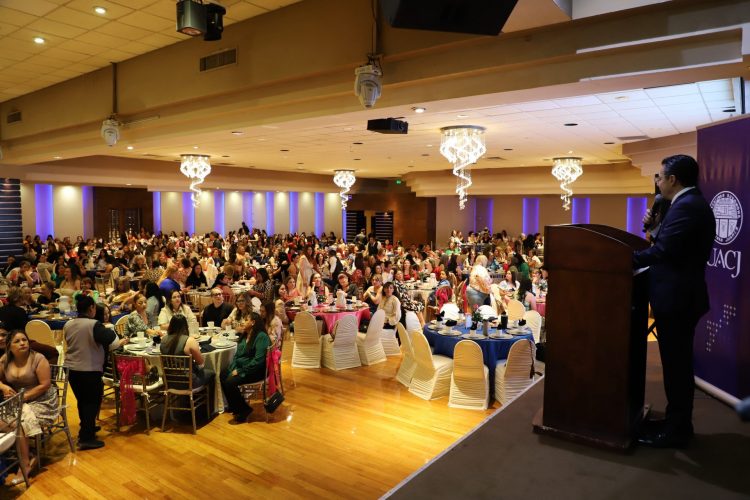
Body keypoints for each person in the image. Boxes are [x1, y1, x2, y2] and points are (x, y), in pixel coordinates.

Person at [633, 154, 715, 448]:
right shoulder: (686, 204)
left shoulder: (687, 206)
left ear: (672, 179)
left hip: (678, 299)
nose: (656, 181)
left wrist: (625, 259)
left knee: (677, 367)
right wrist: (655, 228)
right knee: (676, 365)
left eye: (659, 176)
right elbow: (673, 246)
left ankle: (677, 430)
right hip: (679, 297)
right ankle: (676, 422)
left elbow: (664, 252)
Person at [64, 295, 128, 450]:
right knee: (91, 403)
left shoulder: (68, 324)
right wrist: (109, 328)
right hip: (88, 369)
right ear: (92, 308)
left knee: (83, 401)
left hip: (71, 370)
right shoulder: (94, 325)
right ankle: (86, 438)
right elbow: (113, 342)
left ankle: (88, 428)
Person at [0, 330, 59, 476]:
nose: (22, 343)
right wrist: (3, 386)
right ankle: (23, 453)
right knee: (5, 421)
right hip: (18, 399)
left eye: (24, 340)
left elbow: (45, 385)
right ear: (9, 346)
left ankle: (25, 463)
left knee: (19, 422)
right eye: (17, 341)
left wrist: (23, 397)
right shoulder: (5, 360)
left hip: (42, 399)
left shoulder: (38, 358)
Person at [220, 312, 270, 422]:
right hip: (244, 367)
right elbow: (238, 355)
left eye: (246, 320)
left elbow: (258, 361)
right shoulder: (245, 335)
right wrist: (233, 367)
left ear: (253, 322)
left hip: (256, 371)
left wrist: (240, 370)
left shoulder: (261, 336)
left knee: (229, 382)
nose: (242, 322)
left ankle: (243, 410)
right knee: (223, 374)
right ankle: (235, 406)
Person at [160, 316, 214, 389]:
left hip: (168, 381)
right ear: (185, 326)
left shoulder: (163, 340)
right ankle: (209, 396)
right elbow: (200, 362)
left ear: (171, 325)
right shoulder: (189, 341)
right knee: (212, 373)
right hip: (188, 381)